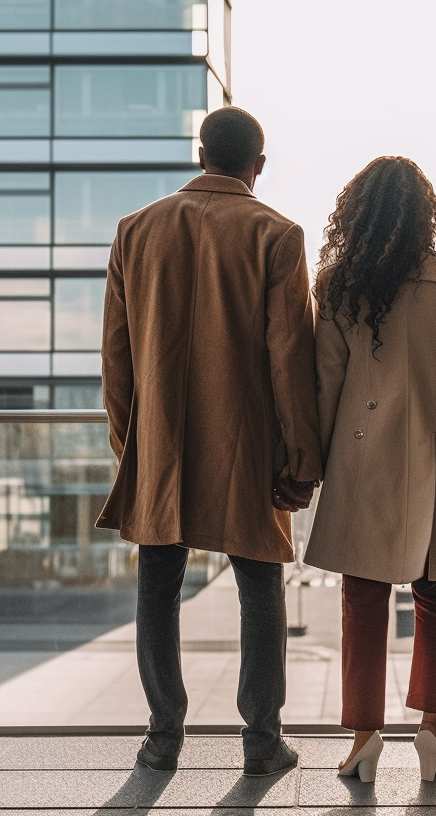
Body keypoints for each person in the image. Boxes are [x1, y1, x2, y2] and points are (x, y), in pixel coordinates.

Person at [97, 106, 322, 777]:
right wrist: (300, 460)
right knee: (260, 585)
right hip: (246, 446)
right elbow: (292, 358)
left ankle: (162, 738)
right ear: (258, 165)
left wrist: (129, 447)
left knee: (157, 585)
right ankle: (262, 741)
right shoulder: (277, 233)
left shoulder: (135, 231)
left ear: (201, 154)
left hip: (160, 441)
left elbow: (116, 354)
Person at [304, 157, 436, 784]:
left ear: (355, 212)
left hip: (363, 454)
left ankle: (364, 736)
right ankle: (432, 732)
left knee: (363, 595)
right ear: (426, 213)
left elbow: (324, 388)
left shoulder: (335, 285)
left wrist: (323, 468)